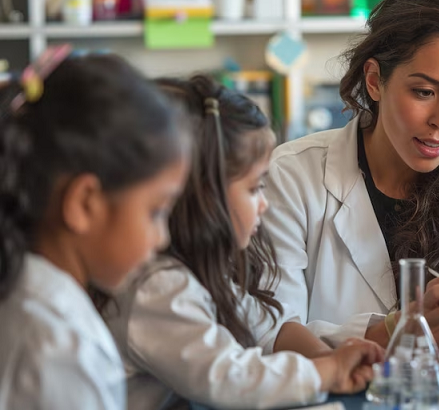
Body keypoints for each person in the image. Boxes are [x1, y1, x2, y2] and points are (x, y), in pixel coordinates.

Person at [263, 0, 439, 353]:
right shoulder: (293, 177)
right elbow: (269, 340)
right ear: (375, 81)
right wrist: (397, 331)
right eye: (424, 92)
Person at [101, 75, 383, 410]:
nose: (263, 203)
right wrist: (326, 371)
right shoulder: (155, 286)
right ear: (203, 196)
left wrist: (334, 362)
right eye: (253, 188)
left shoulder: (196, 272)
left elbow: (268, 329)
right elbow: (228, 379)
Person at [0, 49, 191, 409]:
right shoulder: (60, 342)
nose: (161, 237)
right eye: (155, 211)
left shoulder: (27, 293)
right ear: (84, 203)